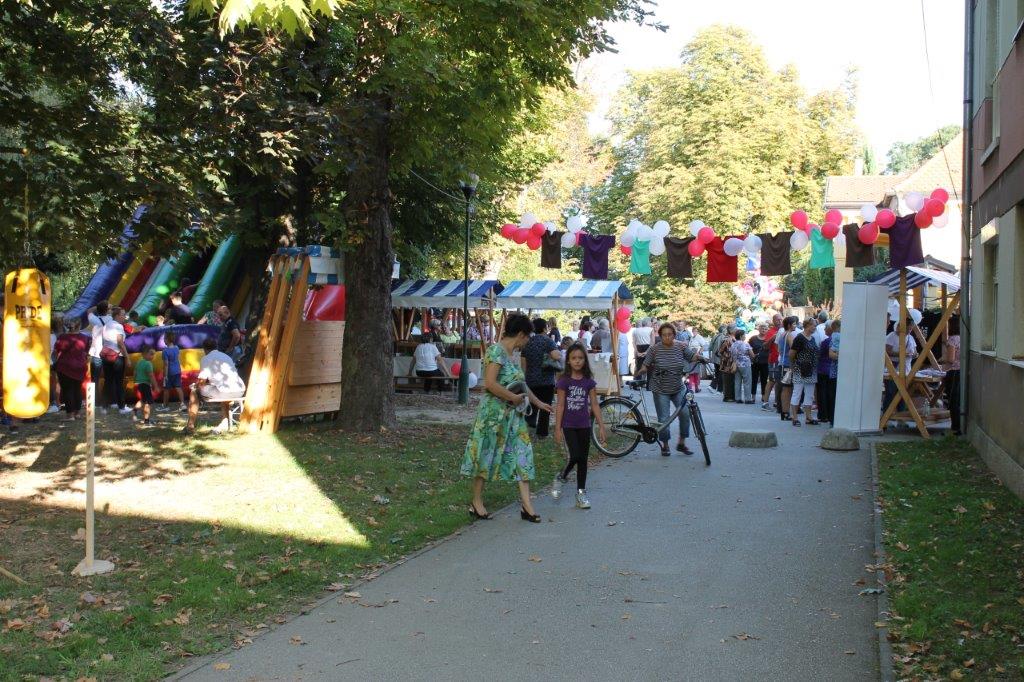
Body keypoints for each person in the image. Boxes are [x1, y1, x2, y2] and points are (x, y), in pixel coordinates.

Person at [460, 313, 552, 522]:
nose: (527, 342)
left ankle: (527, 506)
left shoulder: (512, 356)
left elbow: (522, 385)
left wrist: (538, 403)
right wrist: (513, 398)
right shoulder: (496, 351)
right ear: (520, 334)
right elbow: (490, 383)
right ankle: (476, 502)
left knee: (523, 455)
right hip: (493, 416)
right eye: (527, 337)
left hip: (513, 417)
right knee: (486, 454)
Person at [553, 344, 607, 509]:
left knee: (583, 460)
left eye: (580, 358)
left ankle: (581, 494)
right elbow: (560, 405)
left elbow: (594, 404)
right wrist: (557, 428)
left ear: (585, 360)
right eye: (574, 358)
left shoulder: (588, 381)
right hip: (569, 425)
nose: (577, 361)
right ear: (568, 361)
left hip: (584, 425)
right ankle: (561, 476)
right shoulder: (564, 381)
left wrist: (601, 426)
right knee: (575, 455)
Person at [636, 322, 697, 456]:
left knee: (685, 413)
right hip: (660, 388)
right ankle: (665, 445)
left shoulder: (681, 346)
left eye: (670, 334)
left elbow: (692, 356)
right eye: (664, 335)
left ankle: (681, 443)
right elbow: (646, 364)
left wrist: (700, 357)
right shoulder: (655, 349)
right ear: (660, 336)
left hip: (678, 387)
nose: (667, 337)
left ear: (674, 335)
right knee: (664, 419)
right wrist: (642, 370)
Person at [184, 338, 246, 433]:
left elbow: (202, 381)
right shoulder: (226, 356)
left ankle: (190, 425)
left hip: (224, 391)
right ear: (216, 347)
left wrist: (195, 385)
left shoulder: (206, 359)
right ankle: (225, 422)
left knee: (194, 391)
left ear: (204, 349)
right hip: (240, 390)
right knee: (222, 389)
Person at [521, 318, 561, 439]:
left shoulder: (527, 342)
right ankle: (542, 433)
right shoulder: (548, 341)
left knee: (531, 406)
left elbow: (523, 364)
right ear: (544, 328)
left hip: (530, 380)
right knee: (545, 407)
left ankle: (528, 428)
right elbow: (556, 356)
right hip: (546, 380)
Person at [53, 318, 88, 420]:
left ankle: (70, 414)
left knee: (67, 390)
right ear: (80, 325)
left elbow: (56, 350)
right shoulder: (84, 337)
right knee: (77, 389)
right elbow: (86, 351)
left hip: (65, 366)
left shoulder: (62, 337)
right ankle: (78, 413)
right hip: (80, 366)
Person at [884, 315, 918, 415]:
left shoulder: (910, 337)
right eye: (908, 328)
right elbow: (887, 352)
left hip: (906, 369)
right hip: (893, 368)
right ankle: (887, 415)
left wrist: (913, 354)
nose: (909, 331)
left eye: (911, 329)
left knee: (904, 393)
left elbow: (915, 352)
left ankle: (901, 415)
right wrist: (902, 354)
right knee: (891, 393)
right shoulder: (892, 336)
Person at [101, 307, 133, 414]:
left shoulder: (106, 325)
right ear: (117, 316)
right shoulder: (118, 326)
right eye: (123, 314)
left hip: (106, 356)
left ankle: (104, 406)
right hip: (117, 357)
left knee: (108, 381)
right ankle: (121, 407)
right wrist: (127, 357)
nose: (124, 317)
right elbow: (120, 343)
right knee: (119, 382)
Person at [788, 318, 820, 426]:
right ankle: (794, 417)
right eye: (813, 325)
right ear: (807, 325)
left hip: (811, 370)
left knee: (809, 394)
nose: (815, 328)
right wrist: (793, 366)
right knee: (797, 392)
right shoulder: (799, 338)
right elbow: (791, 354)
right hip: (800, 369)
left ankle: (808, 417)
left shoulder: (812, 338)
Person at [87, 301, 113, 398]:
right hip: (107, 353)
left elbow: (89, 311)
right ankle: (107, 399)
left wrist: (98, 307)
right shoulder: (110, 319)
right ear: (107, 310)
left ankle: (94, 400)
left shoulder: (94, 319)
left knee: (94, 379)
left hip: (96, 353)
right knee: (109, 377)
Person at [941, 317, 961, 435]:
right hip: (962, 371)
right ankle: (959, 425)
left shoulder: (952, 339)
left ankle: (955, 427)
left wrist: (942, 361)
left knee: (953, 400)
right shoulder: (964, 339)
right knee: (959, 399)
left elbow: (951, 359)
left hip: (954, 372)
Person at [776, 316, 798, 420]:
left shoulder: (782, 334)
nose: (795, 326)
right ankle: (785, 412)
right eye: (794, 324)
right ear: (789, 325)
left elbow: (779, 350)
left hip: (782, 363)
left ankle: (784, 412)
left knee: (785, 388)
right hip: (788, 365)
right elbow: (793, 349)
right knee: (787, 389)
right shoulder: (789, 335)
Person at [815, 321, 835, 424]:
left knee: (822, 393)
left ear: (830, 329)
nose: (824, 329)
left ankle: (823, 415)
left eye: (826, 328)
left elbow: (819, 355)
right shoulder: (836, 340)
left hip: (823, 369)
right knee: (830, 393)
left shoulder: (826, 342)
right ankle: (830, 415)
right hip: (831, 371)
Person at [762, 313, 783, 410]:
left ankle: (777, 401)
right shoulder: (771, 332)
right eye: (777, 320)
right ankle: (765, 403)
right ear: (773, 321)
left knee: (780, 381)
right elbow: (765, 346)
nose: (780, 321)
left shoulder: (784, 330)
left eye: (781, 319)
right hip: (774, 359)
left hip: (782, 360)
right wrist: (773, 337)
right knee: (772, 380)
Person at [133, 346, 157, 426]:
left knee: (143, 400)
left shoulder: (139, 362)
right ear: (144, 354)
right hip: (145, 384)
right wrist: (156, 386)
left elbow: (135, 372)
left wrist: (134, 381)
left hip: (139, 384)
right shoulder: (148, 364)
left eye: (153, 354)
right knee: (148, 403)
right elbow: (151, 376)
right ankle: (146, 420)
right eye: (151, 354)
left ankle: (135, 410)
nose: (152, 356)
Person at [161, 332, 185, 411]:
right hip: (177, 371)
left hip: (169, 372)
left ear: (167, 340)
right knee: (178, 387)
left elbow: (166, 364)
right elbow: (177, 359)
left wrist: (165, 375)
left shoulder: (165, 351)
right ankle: (182, 404)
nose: (163, 340)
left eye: (164, 338)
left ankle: (165, 406)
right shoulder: (177, 348)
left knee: (166, 389)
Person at [731, 328, 755, 404]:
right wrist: (753, 357)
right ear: (741, 336)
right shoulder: (745, 344)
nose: (745, 336)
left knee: (737, 381)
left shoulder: (733, 344)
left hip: (736, 364)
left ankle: (737, 398)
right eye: (744, 335)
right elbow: (752, 355)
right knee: (747, 381)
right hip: (745, 364)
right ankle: (748, 399)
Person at [749, 323, 770, 405]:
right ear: (759, 329)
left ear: (767, 330)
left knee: (764, 380)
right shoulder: (753, 338)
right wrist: (751, 357)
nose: (764, 330)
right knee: (754, 379)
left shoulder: (769, 338)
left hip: (765, 362)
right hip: (755, 362)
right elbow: (749, 348)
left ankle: (763, 396)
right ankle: (753, 396)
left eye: (765, 329)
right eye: (762, 328)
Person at [826, 319, 841, 426]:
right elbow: (831, 354)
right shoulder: (836, 337)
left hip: (835, 372)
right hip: (835, 372)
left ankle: (834, 419)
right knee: (834, 395)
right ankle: (833, 419)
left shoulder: (834, 337)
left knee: (834, 395)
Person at [718, 325, 737, 402]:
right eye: (736, 329)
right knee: (727, 379)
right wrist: (728, 355)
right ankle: (727, 397)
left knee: (732, 379)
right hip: (727, 363)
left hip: (732, 362)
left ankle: (732, 396)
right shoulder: (726, 339)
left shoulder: (734, 339)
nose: (737, 330)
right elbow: (720, 351)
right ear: (731, 331)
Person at [708, 325, 727, 394]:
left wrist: (710, 357)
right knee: (721, 373)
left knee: (717, 372)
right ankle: (718, 389)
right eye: (726, 330)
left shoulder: (715, 336)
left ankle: (713, 386)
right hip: (720, 358)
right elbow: (721, 349)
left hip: (714, 358)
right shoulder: (723, 337)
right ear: (723, 330)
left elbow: (710, 348)